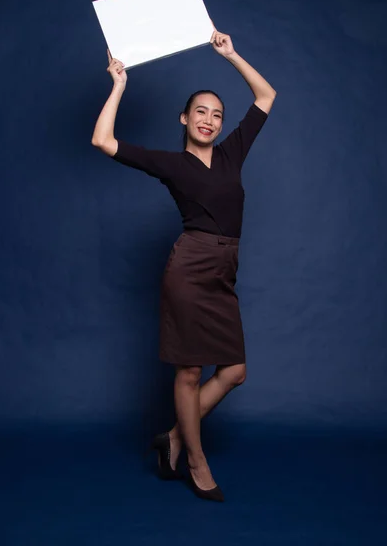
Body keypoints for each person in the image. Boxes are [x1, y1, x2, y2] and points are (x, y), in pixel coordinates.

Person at [92, 29, 276, 502]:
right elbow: (102, 139)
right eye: (201, 112)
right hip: (189, 268)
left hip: (224, 270)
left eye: (217, 114)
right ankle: (195, 460)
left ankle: (174, 436)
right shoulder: (171, 165)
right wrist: (118, 86)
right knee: (190, 370)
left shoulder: (233, 153)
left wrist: (231, 54)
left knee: (234, 370)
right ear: (184, 118)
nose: (210, 120)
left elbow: (266, 94)